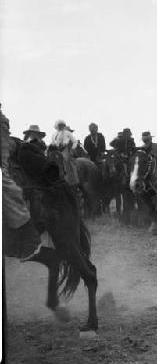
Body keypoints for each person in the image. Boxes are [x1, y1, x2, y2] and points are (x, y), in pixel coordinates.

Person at [2, 107, 48, 262]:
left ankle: (30, 233)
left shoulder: (40, 145)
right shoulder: (23, 143)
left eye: (35, 133)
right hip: (19, 163)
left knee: (25, 191)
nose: (33, 135)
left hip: (33, 169)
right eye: (31, 133)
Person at [139, 131, 157, 235]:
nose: (147, 141)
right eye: (145, 140)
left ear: (151, 139)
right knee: (144, 196)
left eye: (148, 140)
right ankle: (154, 221)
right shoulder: (141, 149)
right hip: (148, 178)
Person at [50, 120, 79, 185]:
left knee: (66, 160)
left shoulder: (67, 132)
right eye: (59, 125)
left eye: (62, 125)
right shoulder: (54, 134)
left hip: (64, 149)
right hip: (56, 149)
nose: (61, 127)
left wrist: (72, 149)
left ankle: (72, 180)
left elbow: (75, 141)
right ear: (57, 126)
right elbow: (52, 142)